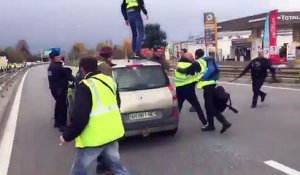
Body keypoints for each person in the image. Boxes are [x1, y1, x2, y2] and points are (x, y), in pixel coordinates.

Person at [60, 56, 131, 175]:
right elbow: (116, 104)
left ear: (82, 69)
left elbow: (80, 119)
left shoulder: (85, 86)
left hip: (94, 138)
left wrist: (67, 136)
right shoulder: (110, 81)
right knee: (117, 169)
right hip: (112, 133)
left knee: (78, 171)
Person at [177, 49, 232, 133]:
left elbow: (186, 71)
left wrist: (178, 68)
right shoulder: (208, 59)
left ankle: (224, 122)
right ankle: (211, 125)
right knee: (207, 106)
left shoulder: (197, 62)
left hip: (207, 86)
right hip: (213, 84)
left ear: (196, 55)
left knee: (209, 106)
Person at [175, 52, 208, 128]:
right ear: (188, 57)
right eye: (191, 56)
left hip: (179, 88)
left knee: (179, 107)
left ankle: (172, 123)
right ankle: (205, 123)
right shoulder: (190, 65)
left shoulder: (179, 64)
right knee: (197, 106)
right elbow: (198, 75)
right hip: (188, 89)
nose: (193, 58)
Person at [47, 50, 73, 132]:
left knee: (58, 105)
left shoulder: (51, 67)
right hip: (60, 90)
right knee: (62, 107)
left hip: (54, 90)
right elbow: (68, 75)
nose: (60, 57)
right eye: (58, 56)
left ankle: (57, 123)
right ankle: (62, 126)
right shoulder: (57, 67)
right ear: (55, 58)